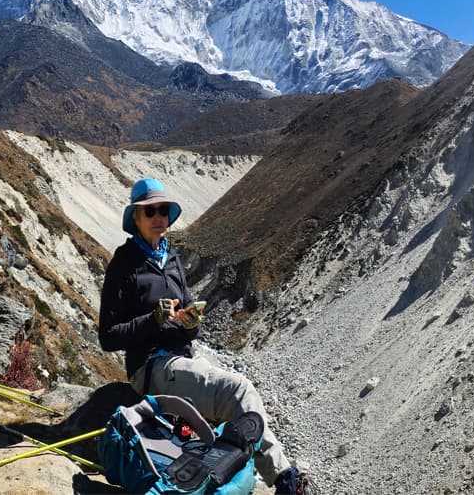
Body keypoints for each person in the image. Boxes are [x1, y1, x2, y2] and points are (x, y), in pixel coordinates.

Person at [99, 178, 319, 495]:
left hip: (183, 359)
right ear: (136, 217)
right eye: (150, 211)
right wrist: (154, 319)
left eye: (162, 210)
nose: (158, 217)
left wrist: (190, 322)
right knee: (238, 388)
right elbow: (108, 337)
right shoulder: (124, 263)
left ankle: (258, 474)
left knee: (236, 395)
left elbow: (190, 318)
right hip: (152, 367)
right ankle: (285, 480)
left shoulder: (170, 258)